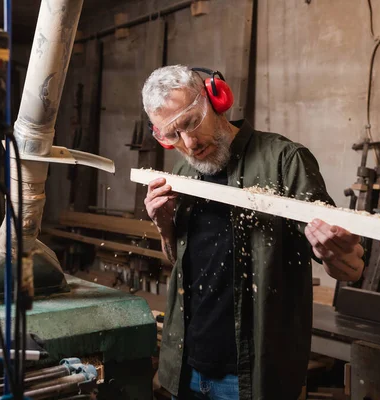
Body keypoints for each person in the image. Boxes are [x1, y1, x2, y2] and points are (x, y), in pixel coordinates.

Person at [142, 65, 364, 400]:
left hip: (252, 376)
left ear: (217, 100)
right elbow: (178, 262)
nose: (189, 143)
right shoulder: (183, 170)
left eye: (191, 123)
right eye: (172, 135)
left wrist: (337, 252)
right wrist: (164, 226)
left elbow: (349, 268)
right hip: (187, 365)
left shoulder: (284, 161)